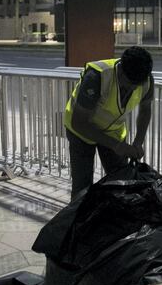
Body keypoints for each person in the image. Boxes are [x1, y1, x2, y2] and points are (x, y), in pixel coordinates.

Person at [63, 46, 154, 199]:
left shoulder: (145, 79)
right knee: (82, 187)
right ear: (121, 70)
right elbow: (79, 123)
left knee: (122, 180)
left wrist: (138, 142)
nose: (133, 88)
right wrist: (117, 146)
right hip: (81, 133)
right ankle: (80, 220)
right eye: (129, 82)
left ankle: (116, 219)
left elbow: (145, 109)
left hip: (113, 132)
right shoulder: (97, 77)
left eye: (137, 84)